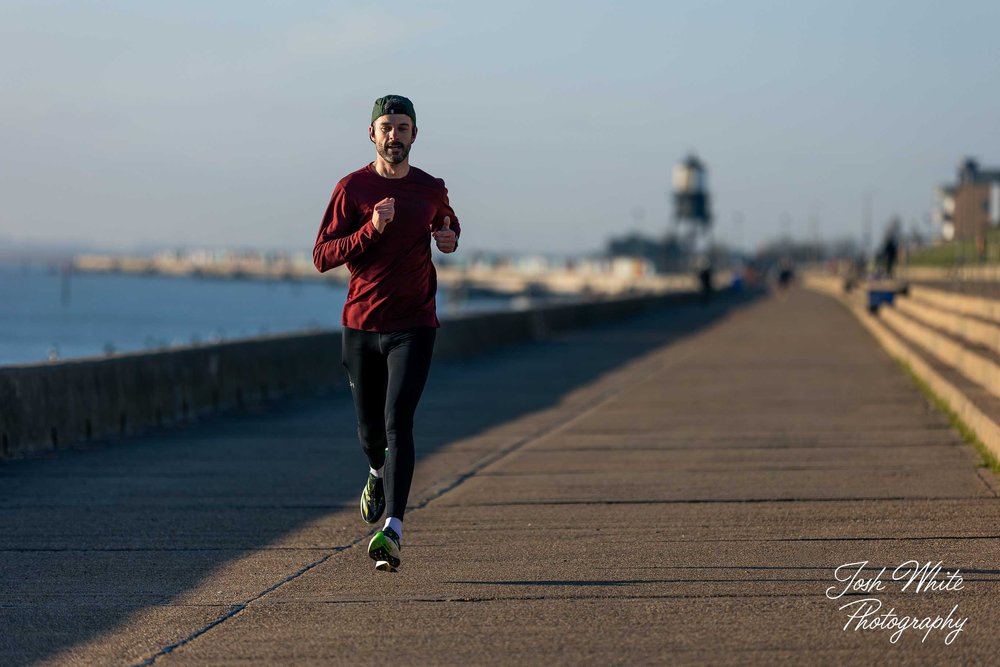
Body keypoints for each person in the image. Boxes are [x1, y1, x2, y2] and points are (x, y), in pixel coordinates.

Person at [312, 95, 460, 572]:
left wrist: (451, 238)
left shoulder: (430, 188)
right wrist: (371, 230)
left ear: (415, 135)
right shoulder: (351, 188)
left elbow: (448, 223)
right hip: (360, 325)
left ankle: (392, 530)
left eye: (402, 127)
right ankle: (376, 471)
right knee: (371, 432)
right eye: (386, 127)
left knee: (399, 420)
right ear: (371, 135)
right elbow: (321, 256)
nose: (394, 135)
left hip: (414, 325)